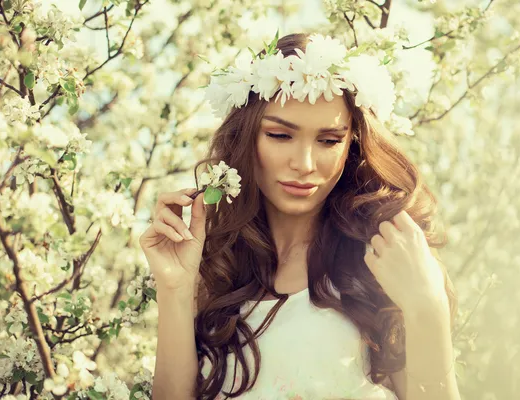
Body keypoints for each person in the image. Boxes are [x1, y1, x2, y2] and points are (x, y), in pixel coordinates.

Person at [140, 33, 459, 400]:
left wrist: (426, 306)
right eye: (280, 135)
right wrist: (176, 289)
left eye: (328, 141)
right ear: (246, 138)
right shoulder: (215, 268)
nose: (304, 165)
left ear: (351, 145)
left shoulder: (381, 262)